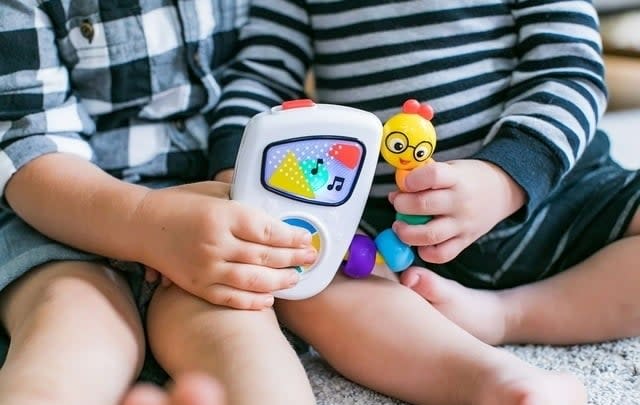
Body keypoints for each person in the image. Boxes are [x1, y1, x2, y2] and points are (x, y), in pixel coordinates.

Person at [201, 0, 637, 403]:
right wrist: (237, 179)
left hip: (562, 197)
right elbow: (261, 79)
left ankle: (509, 315)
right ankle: (486, 379)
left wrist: (501, 179)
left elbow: (569, 70)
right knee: (299, 274)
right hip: (386, 231)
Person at [0, 1, 317, 404]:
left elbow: (262, 80)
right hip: (61, 212)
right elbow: (26, 144)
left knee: (239, 334)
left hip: (207, 199)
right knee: (75, 326)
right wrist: (146, 222)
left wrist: (235, 189)